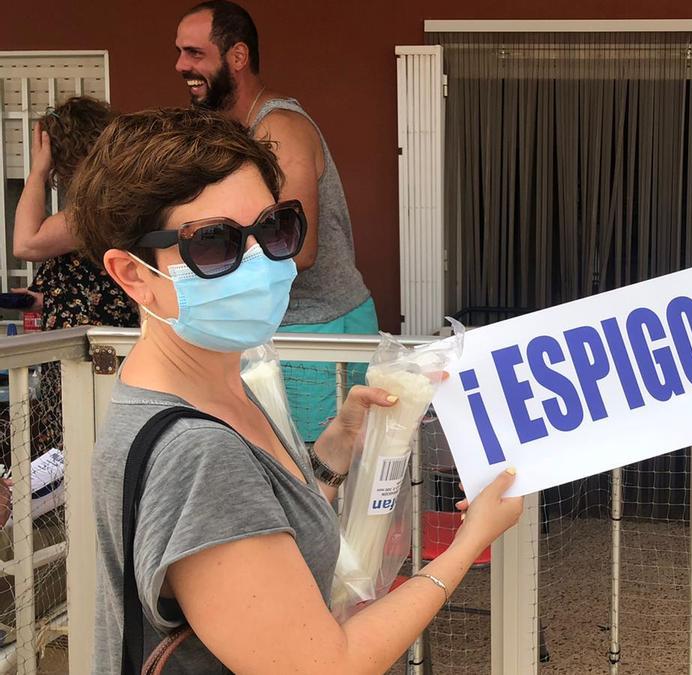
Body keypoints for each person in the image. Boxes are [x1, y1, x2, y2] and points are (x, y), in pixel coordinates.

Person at [75, 107, 522, 672]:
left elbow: (260, 529)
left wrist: (333, 453)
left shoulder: (218, 387)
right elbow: (325, 665)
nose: (259, 262)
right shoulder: (196, 450)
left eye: (273, 227)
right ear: (133, 274)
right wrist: (467, 545)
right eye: (214, 244)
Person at [174, 0, 377, 442]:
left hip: (317, 328)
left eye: (194, 53)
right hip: (291, 328)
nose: (180, 65)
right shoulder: (239, 131)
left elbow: (297, 250)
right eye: (180, 52)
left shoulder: (277, 130)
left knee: (314, 474)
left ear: (238, 57)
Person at [12, 96, 137, 331]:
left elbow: (26, 244)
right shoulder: (125, 195)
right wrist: (47, 299)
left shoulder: (104, 205)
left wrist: (38, 171)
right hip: (104, 340)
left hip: (95, 351)